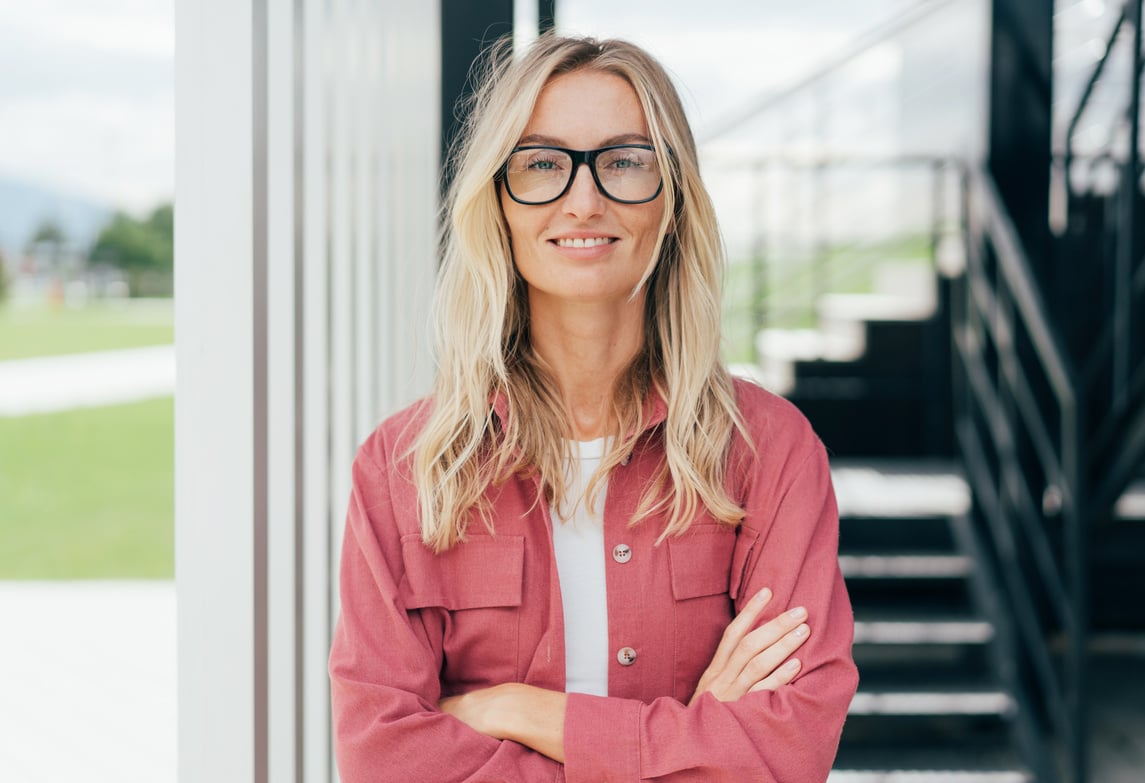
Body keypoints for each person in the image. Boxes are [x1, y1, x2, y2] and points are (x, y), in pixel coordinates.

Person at [329, 34, 858, 782]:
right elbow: (382, 758)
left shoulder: (769, 452)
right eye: (542, 163)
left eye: (625, 161)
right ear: (499, 201)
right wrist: (688, 737)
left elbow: (788, 748)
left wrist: (517, 708)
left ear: (671, 199)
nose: (585, 198)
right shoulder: (402, 467)